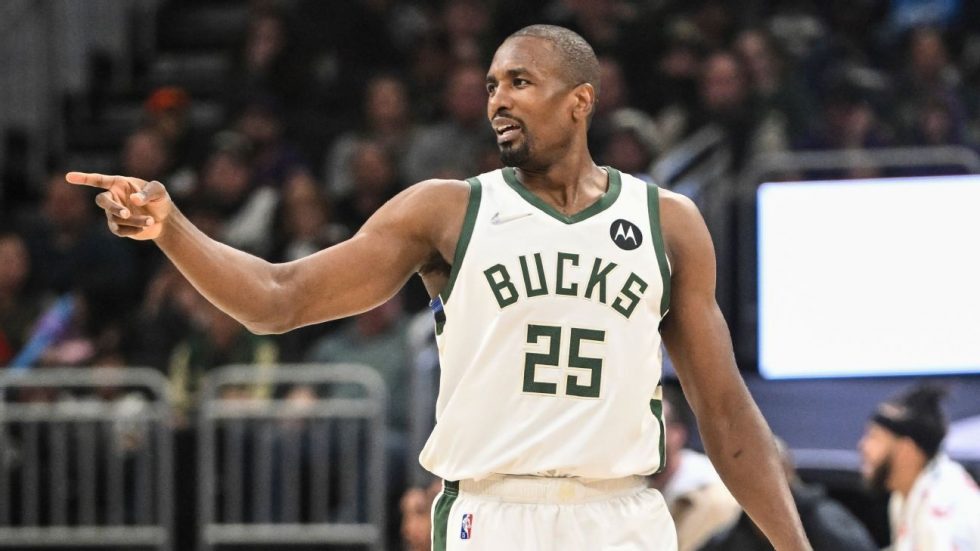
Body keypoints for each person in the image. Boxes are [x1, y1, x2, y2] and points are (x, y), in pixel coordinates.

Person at [67, 24, 810, 551]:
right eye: (491, 86)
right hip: (493, 514)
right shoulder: (448, 210)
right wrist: (171, 228)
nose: (498, 100)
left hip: (622, 516)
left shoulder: (667, 222)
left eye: (520, 82)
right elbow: (278, 297)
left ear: (581, 100)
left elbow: (724, 409)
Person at [858, 383, 980, 551]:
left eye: (875, 438)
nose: (863, 446)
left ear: (906, 450)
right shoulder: (906, 493)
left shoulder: (940, 515)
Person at [701, 438, 878, 551]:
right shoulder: (731, 536)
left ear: (787, 473)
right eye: (745, 473)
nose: (755, 481)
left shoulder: (827, 523)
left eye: (765, 472)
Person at [648, 384, 741, 551]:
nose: (645, 439)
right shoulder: (625, 486)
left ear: (678, 434)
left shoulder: (713, 497)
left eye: (654, 428)